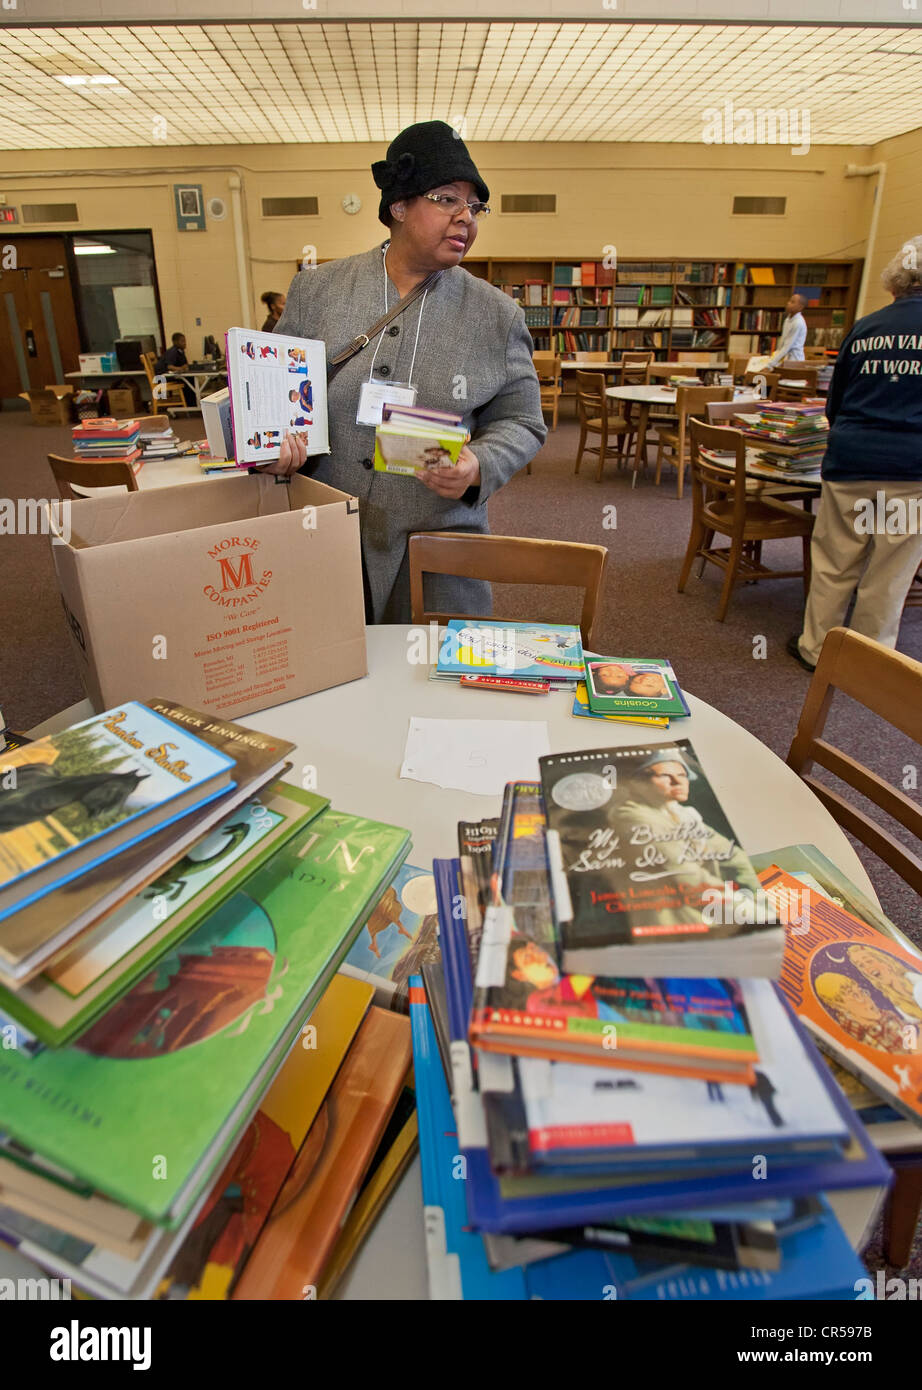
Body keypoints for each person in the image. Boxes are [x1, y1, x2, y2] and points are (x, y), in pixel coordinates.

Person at [259, 120, 547, 623]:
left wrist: (478, 464)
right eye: (446, 200)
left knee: (433, 684)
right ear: (398, 207)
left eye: (475, 207)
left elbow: (522, 422)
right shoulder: (317, 291)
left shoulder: (498, 315)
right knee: (331, 674)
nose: (466, 218)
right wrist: (273, 445)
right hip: (324, 531)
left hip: (440, 543)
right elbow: (275, 394)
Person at [789, 236, 922, 671]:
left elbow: (836, 402)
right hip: (911, 469)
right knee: (889, 571)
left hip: (851, 461)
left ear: (895, 280)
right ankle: (868, 662)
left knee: (833, 559)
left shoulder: (865, 328)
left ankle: (815, 649)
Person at [606, 750, 763, 926]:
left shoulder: (681, 813)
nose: (678, 781)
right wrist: (755, 914)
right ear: (638, 783)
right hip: (675, 920)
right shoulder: (630, 816)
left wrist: (760, 896)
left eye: (682, 775)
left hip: (714, 907)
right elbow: (689, 878)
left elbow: (732, 856)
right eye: (666, 775)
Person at [765, 293, 807, 369]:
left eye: (792, 302)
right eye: (789, 301)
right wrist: (773, 357)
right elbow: (782, 342)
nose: (788, 303)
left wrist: (770, 364)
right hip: (783, 359)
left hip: (794, 361)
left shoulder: (798, 322)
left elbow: (787, 347)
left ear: (800, 307)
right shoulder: (787, 320)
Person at [154, 332, 195, 407]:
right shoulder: (173, 352)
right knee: (189, 380)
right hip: (162, 378)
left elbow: (184, 364)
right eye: (182, 341)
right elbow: (170, 367)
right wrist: (181, 368)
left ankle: (191, 403)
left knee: (191, 379)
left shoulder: (180, 351)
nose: (185, 343)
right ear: (175, 342)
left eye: (185, 341)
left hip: (167, 376)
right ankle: (191, 404)